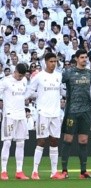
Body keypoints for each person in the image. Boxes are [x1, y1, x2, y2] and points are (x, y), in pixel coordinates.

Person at [58, 48, 91, 179]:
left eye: (86, 57)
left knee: (83, 140)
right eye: (82, 57)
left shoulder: (89, 73)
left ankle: (83, 171)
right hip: (72, 110)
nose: (84, 59)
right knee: (68, 139)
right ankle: (64, 171)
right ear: (77, 59)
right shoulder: (68, 73)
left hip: (86, 111)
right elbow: (58, 84)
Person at [26, 51, 61, 179]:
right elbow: (30, 90)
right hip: (43, 112)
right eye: (51, 61)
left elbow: (62, 91)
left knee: (54, 140)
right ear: (46, 62)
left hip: (56, 113)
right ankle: (35, 171)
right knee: (41, 140)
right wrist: (23, 99)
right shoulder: (39, 76)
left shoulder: (59, 76)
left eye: (55, 61)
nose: (53, 64)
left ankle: (54, 172)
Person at [0, 63, 30, 179]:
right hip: (10, 115)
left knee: (21, 143)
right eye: (19, 75)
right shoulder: (5, 81)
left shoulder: (24, 81)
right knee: (7, 142)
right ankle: (3, 171)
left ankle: (19, 171)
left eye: (22, 76)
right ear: (15, 71)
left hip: (21, 115)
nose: (20, 77)